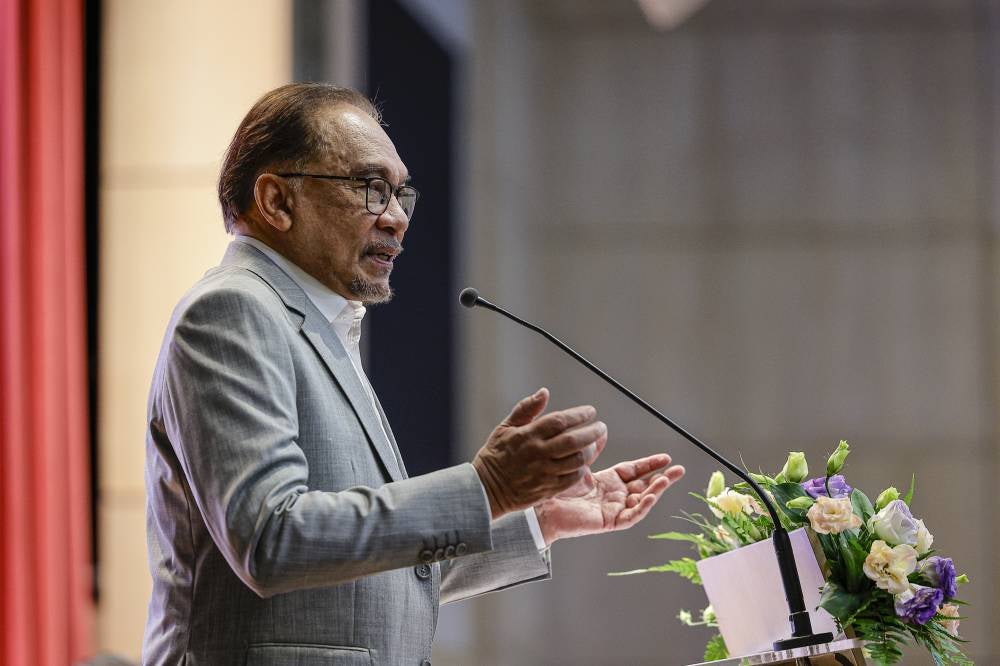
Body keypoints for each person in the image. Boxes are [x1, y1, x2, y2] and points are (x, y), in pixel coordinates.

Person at [142, 83, 685, 666]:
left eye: (401, 194)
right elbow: (272, 541)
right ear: (276, 200)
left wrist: (534, 519)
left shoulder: (315, 323)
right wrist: (485, 488)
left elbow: (366, 584)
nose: (397, 219)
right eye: (371, 189)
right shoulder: (234, 311)